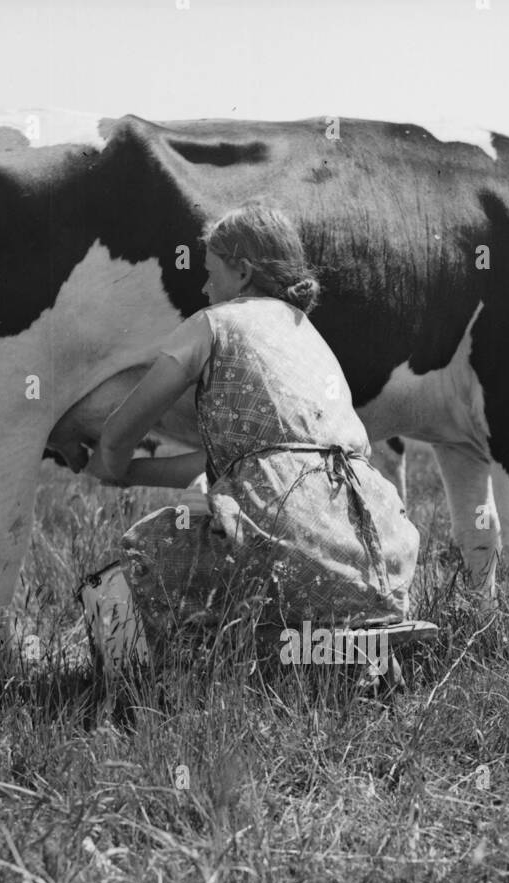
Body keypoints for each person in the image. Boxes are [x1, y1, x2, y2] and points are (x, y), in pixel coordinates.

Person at [81, 204, 418, 660]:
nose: (204, 287)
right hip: (381, 562)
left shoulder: (212, 324)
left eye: (210, 272)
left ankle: (143, 691)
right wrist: (132, 474)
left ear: (241, 272)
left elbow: (120, 432)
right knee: (244, 530)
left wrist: (111, 460)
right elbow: (267, 464)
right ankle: (324, 653)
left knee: (147, 547)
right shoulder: (309, 336)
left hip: (285, 552)